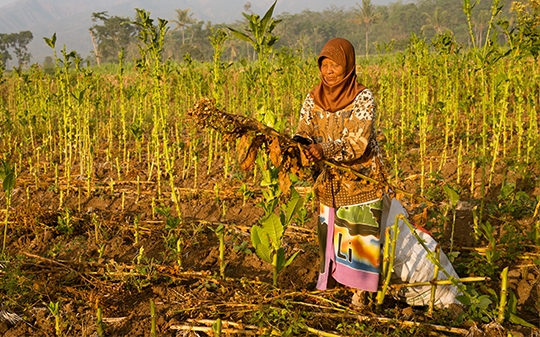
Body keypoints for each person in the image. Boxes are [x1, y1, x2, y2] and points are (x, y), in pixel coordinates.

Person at [292, 37, 388, 303]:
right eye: (324, 65)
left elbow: (358, 143)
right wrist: (299, 145)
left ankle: (361, 294)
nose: (329, 71)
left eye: (335, 65)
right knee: (331, 231)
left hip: (361, 180)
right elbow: (304, 129)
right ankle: (331, 286)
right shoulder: (313, 97)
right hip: (329, 181)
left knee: (358, 234)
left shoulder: (362, 97)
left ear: (347, 66)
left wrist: (324, 150)